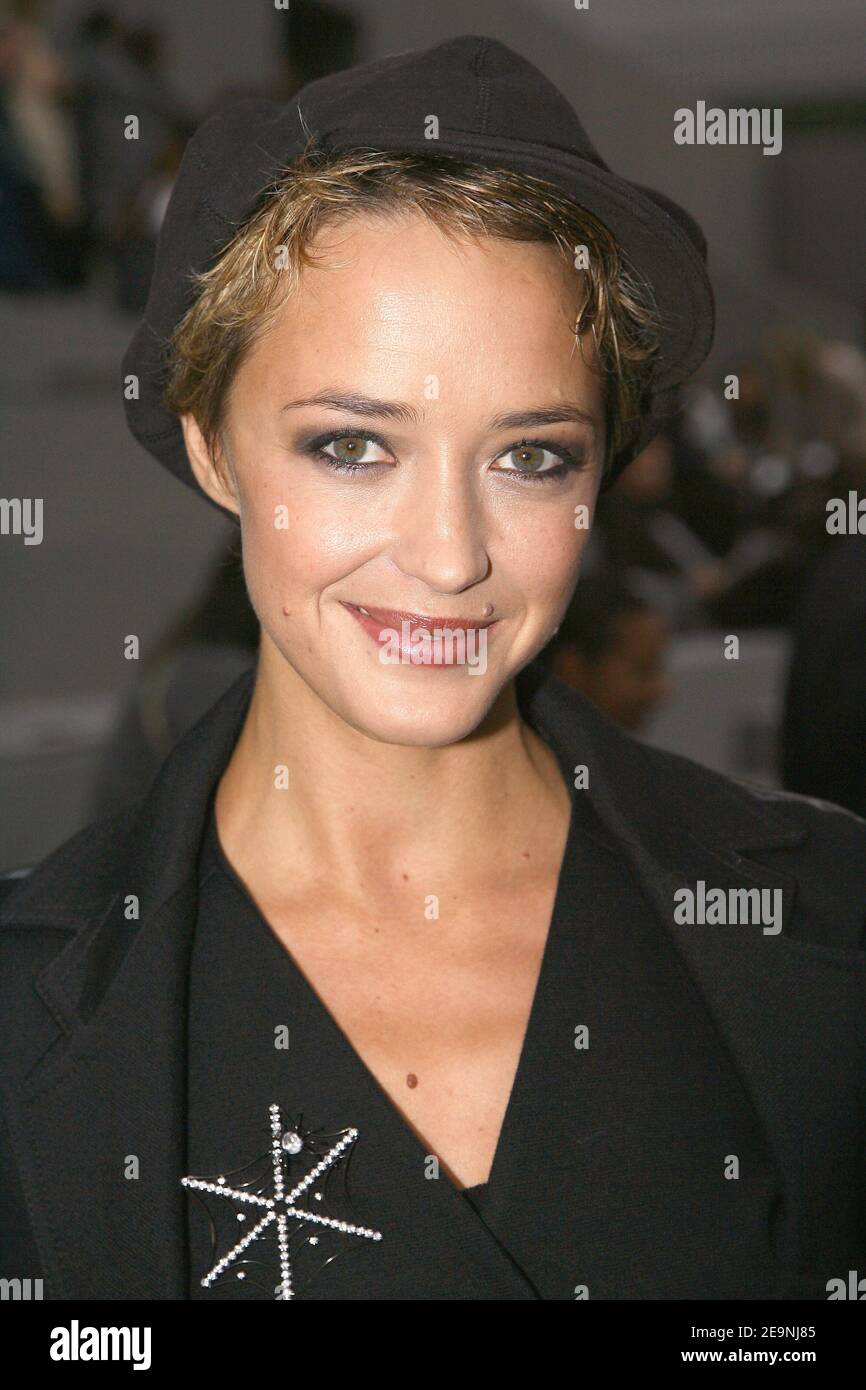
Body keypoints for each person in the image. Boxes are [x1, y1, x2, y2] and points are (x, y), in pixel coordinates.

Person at [2, 35, 865, 1303]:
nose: (451, 556)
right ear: (213, 448)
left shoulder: (833, 925)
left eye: (531, 457)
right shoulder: (30, 1000)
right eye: (352, 446)